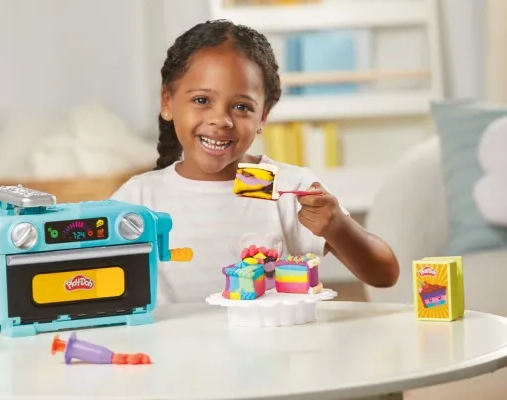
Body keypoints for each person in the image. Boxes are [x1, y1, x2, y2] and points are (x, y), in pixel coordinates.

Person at [111, 19, 399, 304]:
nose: (221, 120)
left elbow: (384, 274)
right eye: (201, 100)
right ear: (167, 102)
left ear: (262, 117)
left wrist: (338, 228)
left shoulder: (288, 188)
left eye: (241, 107)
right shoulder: (139, 199)